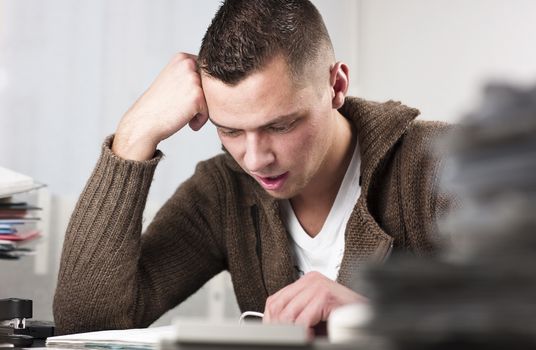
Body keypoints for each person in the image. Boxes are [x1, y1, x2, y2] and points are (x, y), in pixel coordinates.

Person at [53, 0, 451, 335]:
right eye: (230, 131)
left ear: (337, 86)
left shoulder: (439, 164)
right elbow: (87, 326)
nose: (255, 159)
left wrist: (376, 317)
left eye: (280, 125)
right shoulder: (222, 192)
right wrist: (133, 137)